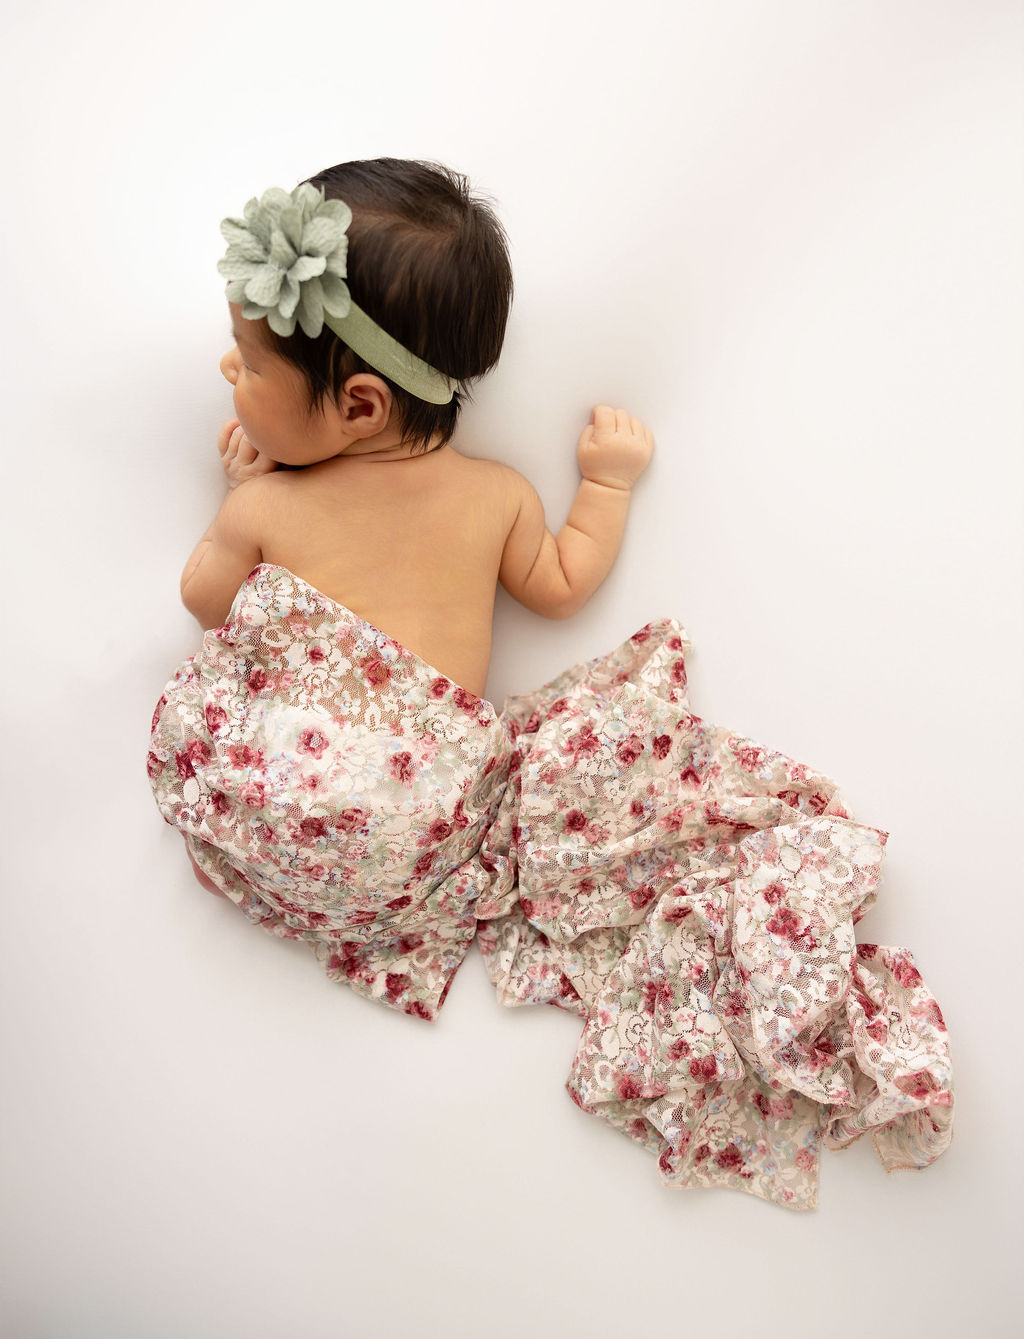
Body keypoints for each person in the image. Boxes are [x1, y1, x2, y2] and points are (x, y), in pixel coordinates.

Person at [149, 158, 953, 1211]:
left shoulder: (273, 510)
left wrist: (239, 495)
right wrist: (605, 486)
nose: (227, 373)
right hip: (422, 836)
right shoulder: (493, 497)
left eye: (251, 367)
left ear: (355, 403)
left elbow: (208, 601)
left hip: (283, 826)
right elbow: (565, 585)